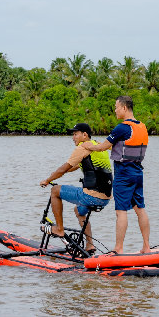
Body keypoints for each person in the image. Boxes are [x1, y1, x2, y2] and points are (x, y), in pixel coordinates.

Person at [81, 96, 151, 254]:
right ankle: (146, 246)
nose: (115, 110)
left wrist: (88, 145)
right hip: (138, 172)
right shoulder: (142, 126)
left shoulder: (122, 128)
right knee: (140, 209)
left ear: (124, 108)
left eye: (116, 107)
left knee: (121, 211)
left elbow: (102, 147)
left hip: (124, 174)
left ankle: (118, 249)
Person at [39, 123, 112, 254]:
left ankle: (59, 229)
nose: (73, 137)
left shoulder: (82, 148)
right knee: (79, 211)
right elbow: (74, 166)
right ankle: (89, 245)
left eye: (75, 134)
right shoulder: (98, 146)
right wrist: (62, 172)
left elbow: (64, 168)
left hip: (91, 196)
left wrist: (48, 180)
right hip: (105, 199)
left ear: (85, 135)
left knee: (55, 191)